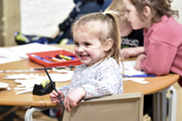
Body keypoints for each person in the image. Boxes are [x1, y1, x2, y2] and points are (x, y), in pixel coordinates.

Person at [50, 12, 123, 112]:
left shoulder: (109, 66)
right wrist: (64, 93)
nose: (80, 49)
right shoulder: (82, 68)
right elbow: (77, 88)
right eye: (76, 43)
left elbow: (108, 87)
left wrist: (82, 91)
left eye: (87, 44)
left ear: (107, 45)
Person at [122, 0, 182, 119]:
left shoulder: (161, 31)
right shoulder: (157, 25)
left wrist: (143, 62)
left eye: (128, 11)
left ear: (146, 11)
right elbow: (152, 51)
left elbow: (156, 69)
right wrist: (143, 55)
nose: (125, 15)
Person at [15, 0, 113, 45]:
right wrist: (54, 37)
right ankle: (45, 42)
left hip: (80, 40)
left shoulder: (104, 5)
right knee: (54, 41)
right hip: (67, 36)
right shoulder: (80, 3)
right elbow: (67, 22)